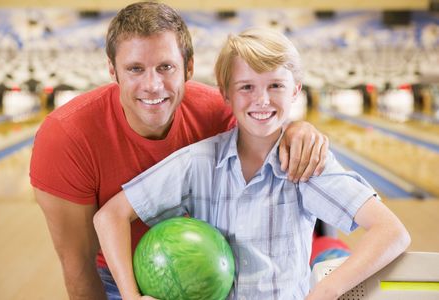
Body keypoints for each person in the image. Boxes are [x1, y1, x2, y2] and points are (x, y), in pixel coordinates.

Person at [29, 2, 330, 299]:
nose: (153, 85)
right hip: (116, 278)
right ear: (112, 70)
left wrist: (295, 129)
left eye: (166, 67)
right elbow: (78, 265)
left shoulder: (217, 112)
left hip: (213, 269)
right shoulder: (66, 137)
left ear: (189, 67)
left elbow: (267, 128)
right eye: (135, 69)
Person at [93, 27, 411, 300]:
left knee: (330, 251)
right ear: (226, 95)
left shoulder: (306, 165)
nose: (261, 100)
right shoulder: (199, 161)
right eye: (246, 87)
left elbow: (392, 232)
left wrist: (325, 291)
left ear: (296, 90)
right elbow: (110, 216)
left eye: (276, 86)